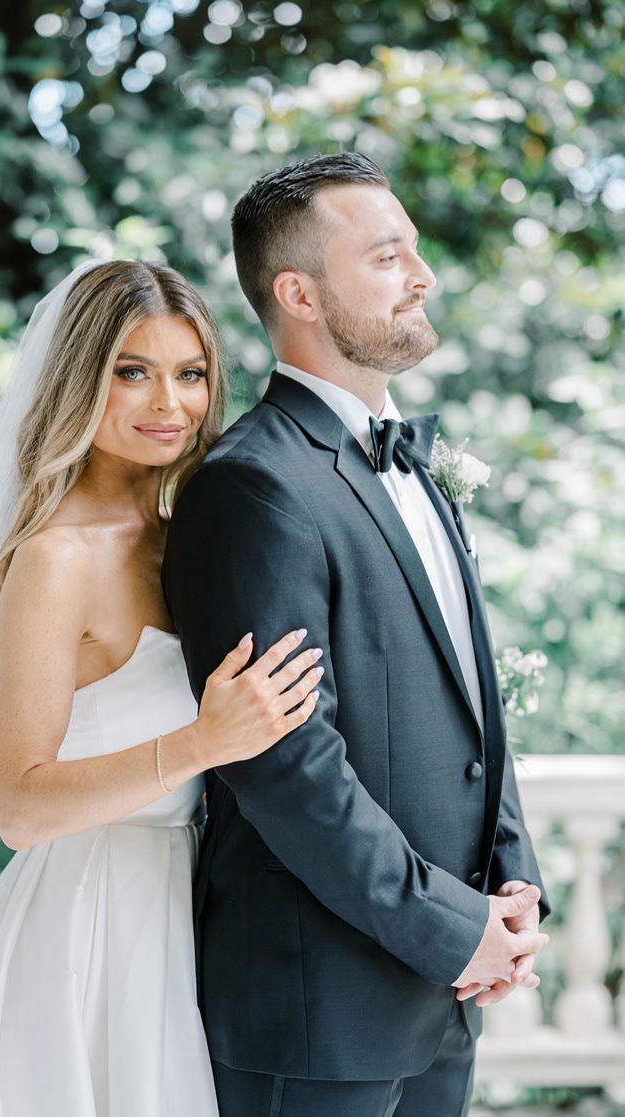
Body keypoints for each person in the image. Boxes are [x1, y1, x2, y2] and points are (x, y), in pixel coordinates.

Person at [0, 259, 325, 1115]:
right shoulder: (55, 559)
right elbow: (17, 804)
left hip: (176, 913)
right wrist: (200, 741)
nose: (170, 404)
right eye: (134, 372)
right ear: (82, 380)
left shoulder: (186, 537)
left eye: (190, 374)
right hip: (78, 937)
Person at [163, 152, 549, 1117]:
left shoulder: (419, 467)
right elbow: (288, 765)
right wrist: (452, 927)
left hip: (441, 990)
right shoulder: (251, 486)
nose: (424, 276)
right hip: (317, 1010)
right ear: (297, 290)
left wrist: (513, 878)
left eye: (414, 251)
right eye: (387, 257)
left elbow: (471, 698)